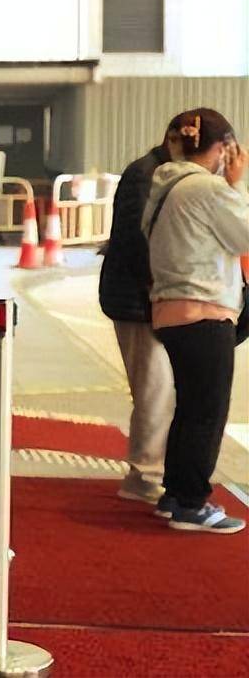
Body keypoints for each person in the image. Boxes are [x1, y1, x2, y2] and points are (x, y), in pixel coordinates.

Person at [144, 107, 249, 534]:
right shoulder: (209, 189)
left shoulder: (165, 185)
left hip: (171, 310)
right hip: (204, 310)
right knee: (207, 412)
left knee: (189, 408)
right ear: (224, 148)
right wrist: (236, 185)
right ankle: (191, 502)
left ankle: (174, 493)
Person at [98, 114, 185, 505]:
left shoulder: (167, 172)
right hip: (138, 300)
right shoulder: (144, 173)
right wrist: (159, 288)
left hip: (152, 297)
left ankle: (153, 470)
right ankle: (144, 476)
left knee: (160, 388)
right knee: (154, 389)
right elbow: (137, 241)